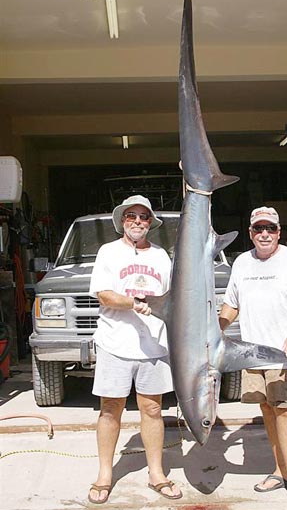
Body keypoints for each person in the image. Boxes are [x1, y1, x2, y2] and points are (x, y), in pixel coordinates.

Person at [219, 206, 287, 510]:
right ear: (251, 232)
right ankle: (280, 470)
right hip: (253, 355)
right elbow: (231, 304)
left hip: (284, 356)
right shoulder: (241, 262)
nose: (264, 233)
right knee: (267, 409)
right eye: (258, 228)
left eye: (271, 228)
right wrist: (218, 327)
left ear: (279, 232)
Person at [88, 195, 182, 504]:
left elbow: (171, 298)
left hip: (153, 345)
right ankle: (104, 475)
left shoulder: (161, 257)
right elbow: (103, 295)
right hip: (115, 342)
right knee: (110, 409)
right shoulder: (108, 252)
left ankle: (157, 473)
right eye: (132, 216)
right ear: (122, 221)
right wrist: (136, 303)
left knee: (153, 410)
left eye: (143, 216)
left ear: (151, 222)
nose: (138, 221)